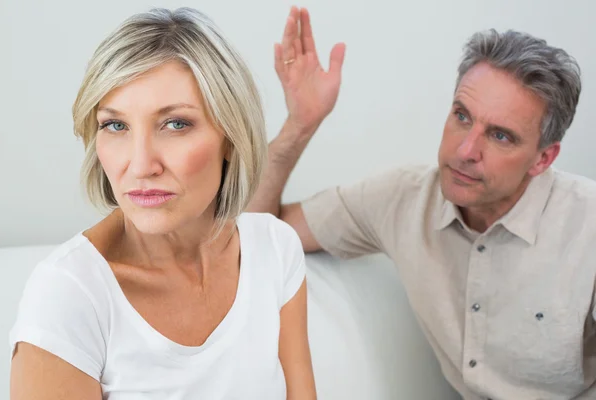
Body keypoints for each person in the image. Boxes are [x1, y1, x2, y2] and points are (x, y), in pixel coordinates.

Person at [249, 6, 596, 399]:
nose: (466, 150)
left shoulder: (587, 225)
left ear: (543, 159)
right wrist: (301, 124)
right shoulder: (401, 198)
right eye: (462, 116)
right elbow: (256, 232)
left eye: (500, 136)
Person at [10, 7, 316, 400]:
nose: (140, 165)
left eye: (175, 124)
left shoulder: (275, 249)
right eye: (115, 125)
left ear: (231, 136)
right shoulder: (69, 294)